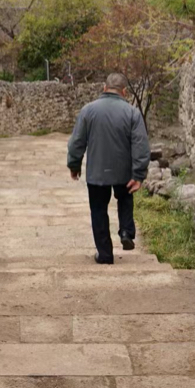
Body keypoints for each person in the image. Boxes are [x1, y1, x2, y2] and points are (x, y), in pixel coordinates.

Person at [67, 73, 150, 264]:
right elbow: (141, 145)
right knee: (125, 198)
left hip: (96, 173)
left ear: (104, 89)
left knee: (98, 210)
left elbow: (76, 142)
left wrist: (74, 164)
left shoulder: (88, 111)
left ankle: (105, 254)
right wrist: (138, 174)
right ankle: (126, 231)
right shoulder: (132, 113)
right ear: (124, 92)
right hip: (124, 172)